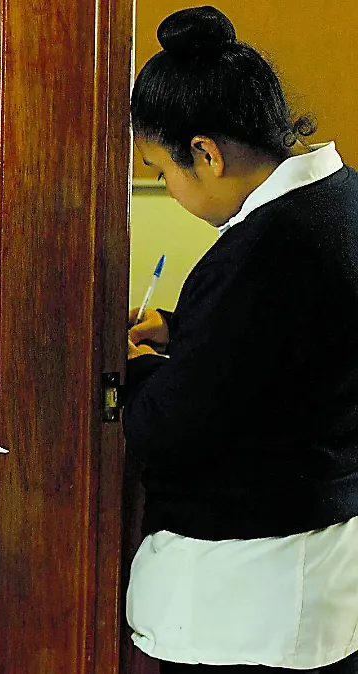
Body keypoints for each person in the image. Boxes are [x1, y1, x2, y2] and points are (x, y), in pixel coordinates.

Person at [124, 7, 358, 673]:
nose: (169, 190)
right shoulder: (341, 201)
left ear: (206, 152)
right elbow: (296, 345)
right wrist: (184, 330)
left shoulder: (261, 252)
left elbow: (167, 428)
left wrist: (138, 368)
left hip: (249, 597)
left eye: (160, 171)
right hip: (326, 565)